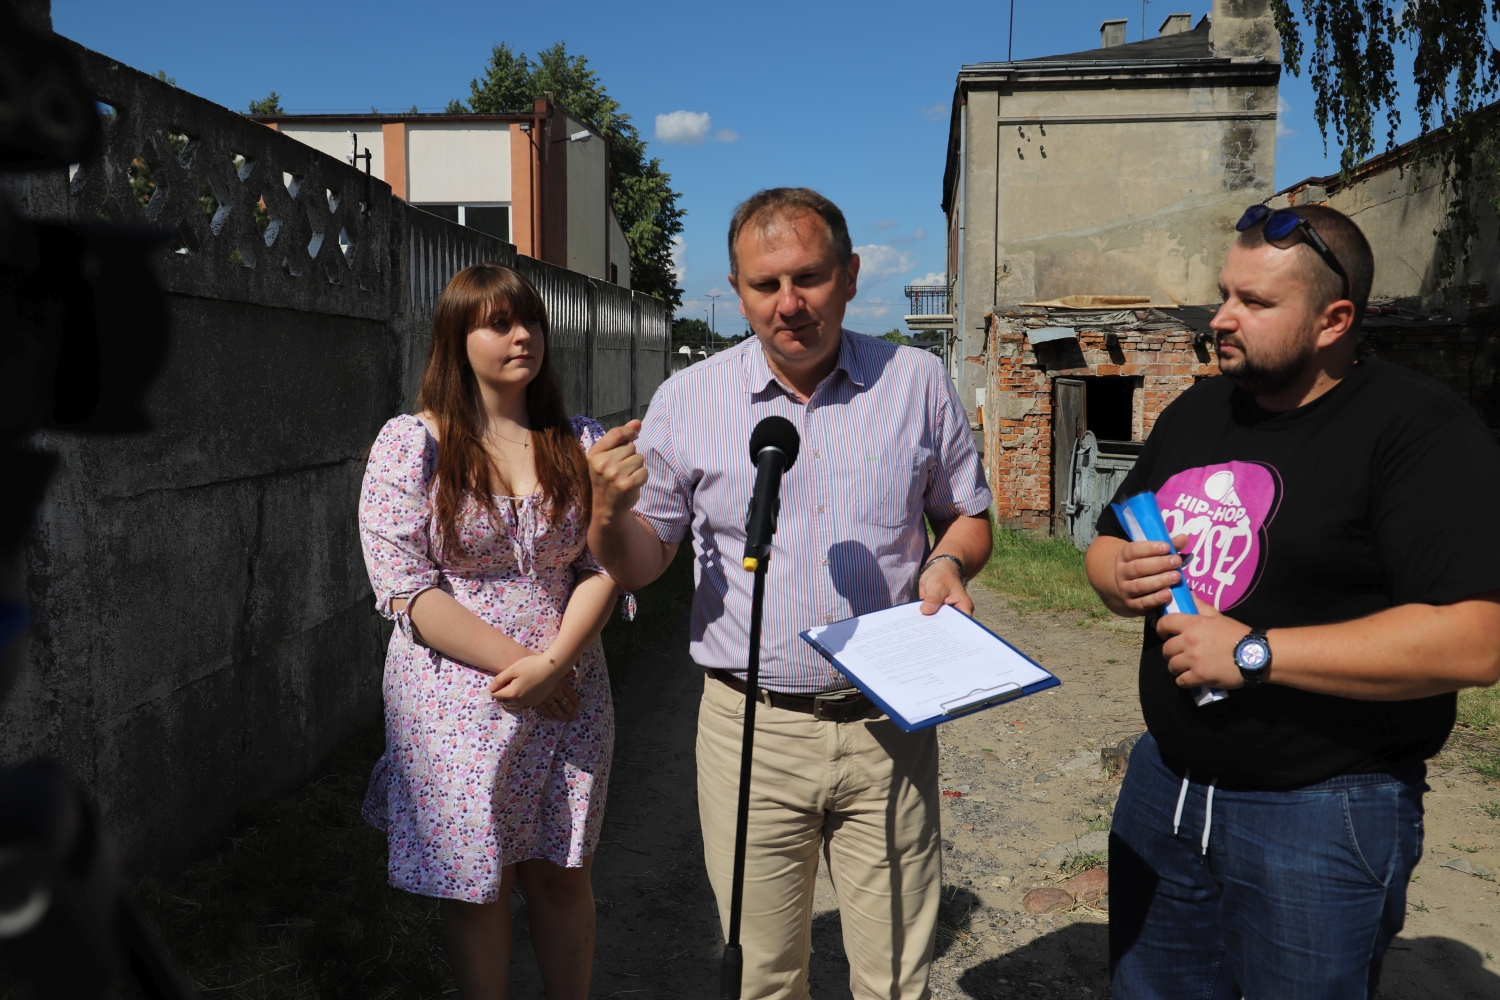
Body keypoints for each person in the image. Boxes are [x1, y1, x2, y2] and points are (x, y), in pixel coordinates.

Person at [585, 187, 993, 999]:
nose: (789, 303)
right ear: (736, 290)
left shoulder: (914, 382)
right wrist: (603, 517)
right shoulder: (689, 400)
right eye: (764, 285)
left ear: (849, 275)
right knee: (765, 975)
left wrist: (946, 564)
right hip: (750, 732)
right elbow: (640, 565)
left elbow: (968, 518)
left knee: (896, 979)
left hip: (887, 725)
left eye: (808, 277)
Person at [1086, 204, 1500, 999]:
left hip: (1323, 809)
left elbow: (1474, 642)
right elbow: (1108, 542)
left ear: (1333, 320)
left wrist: (1255, 652)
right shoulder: (1200, 410)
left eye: (1256, 303)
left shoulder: (1420, 431)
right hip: (1163, 786)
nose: (1222, 318)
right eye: (1225, 293)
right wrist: (1117, 575)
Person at [358, 263, 627, 1000]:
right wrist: (528, 667)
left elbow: (604, 566)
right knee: (476, 886)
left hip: (571, 691)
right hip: (453, 699)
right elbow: (406, 586)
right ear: (456, 337)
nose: (521, 336)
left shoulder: (578, 440)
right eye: (498, 323)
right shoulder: (413, 444)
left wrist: (558, 664)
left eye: (530, 321)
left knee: (564, 872)